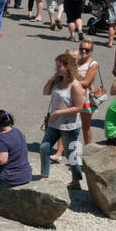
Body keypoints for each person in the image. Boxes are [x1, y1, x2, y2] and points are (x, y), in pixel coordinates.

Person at [39, 52, 86, 188]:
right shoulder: (57, 81)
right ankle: (44, 176)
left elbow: (78, 107)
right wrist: (52, 79)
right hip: (54, 123)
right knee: (44, 147)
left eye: (59, 67)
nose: (57, 69)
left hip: (69, 125)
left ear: (68, 67)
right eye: (56, 66)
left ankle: (76, 180)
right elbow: (45, 92)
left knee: (70, 153)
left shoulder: (75, 85)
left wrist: (59, 112)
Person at [0, 108, 31, 195]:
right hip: (25, 174)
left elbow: (1, 160)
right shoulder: (17, 131)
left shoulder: (2, 138)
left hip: (10, 177)